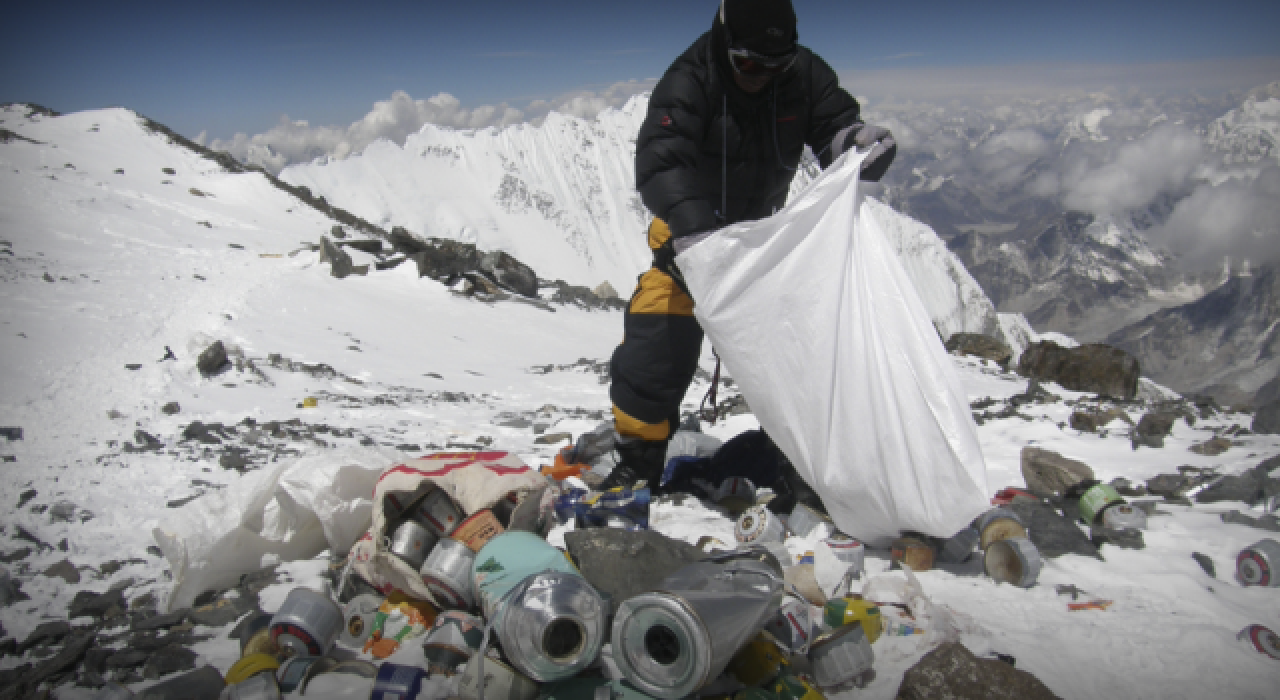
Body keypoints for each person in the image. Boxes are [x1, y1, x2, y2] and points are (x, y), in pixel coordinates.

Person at [604, 0, 897, 489]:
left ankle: (800, 463)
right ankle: (639, 463)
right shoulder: (689, 80)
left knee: (802, 355)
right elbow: (661, 163)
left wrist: (854, 144)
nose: (760, 75)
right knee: (656, 345)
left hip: (764, 248)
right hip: (686, 247)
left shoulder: (803, 75)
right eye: (748, 63)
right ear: (724, 41)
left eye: (774, 65)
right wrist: (699, 237)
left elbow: (832, 127)